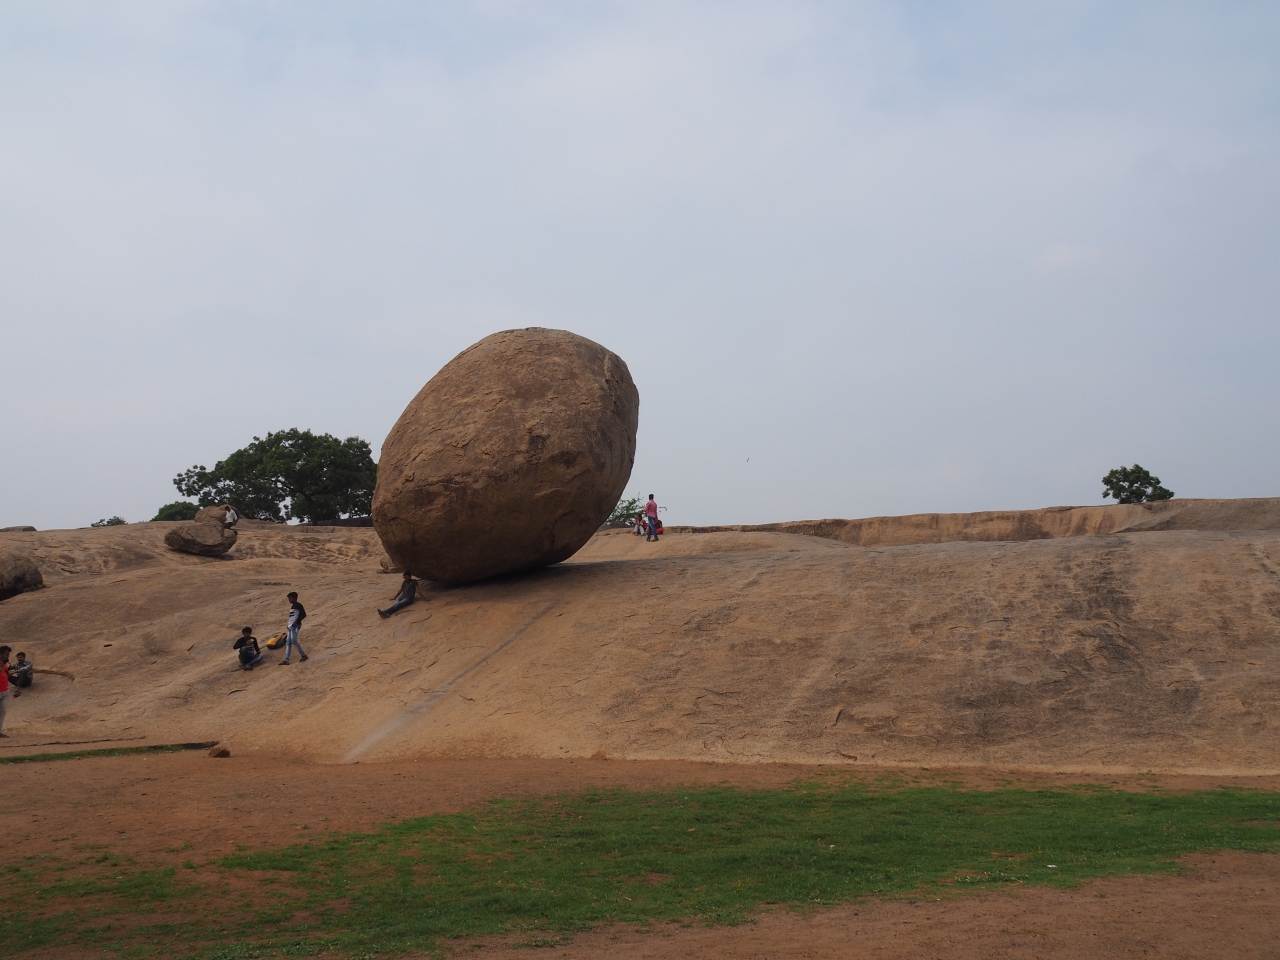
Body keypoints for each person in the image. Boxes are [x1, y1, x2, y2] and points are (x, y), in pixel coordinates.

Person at [280, 592, 309, 665]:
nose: (289, 600)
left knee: (293, 641)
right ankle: (286, 660)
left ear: (294, 598)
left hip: (295, 626)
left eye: (290, 598)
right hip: (291, 626)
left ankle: (304, 655)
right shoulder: (293, 606)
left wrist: (297, 621)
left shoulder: (298, 605)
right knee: (288, 642)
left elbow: (304, 614)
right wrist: (289, 624)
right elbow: (292, 617)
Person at [0, 646, 10, 738]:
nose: (7, 656)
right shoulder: (2, 663)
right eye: (6, 654)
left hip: (5, 690)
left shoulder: (5, 663)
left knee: (3, 711)